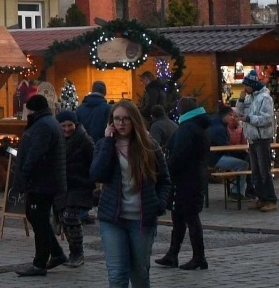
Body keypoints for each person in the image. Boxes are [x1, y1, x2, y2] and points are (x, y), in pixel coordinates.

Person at [91, 101, 171, 288]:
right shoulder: (105, 145)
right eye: (117, 119)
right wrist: (109, 144)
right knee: (117, 275)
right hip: (113, 219)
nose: (121, 123)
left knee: (140, 274)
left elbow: (165, 180)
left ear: (134, 120)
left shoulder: (149, 145)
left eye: (126, 119)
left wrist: (158, 205)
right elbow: (97, 174)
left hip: (141, 220)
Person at [12, 93, 67, 277]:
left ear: (33, 109)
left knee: (39, 219)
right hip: (45, 181)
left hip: (41, 182)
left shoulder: (42, 126)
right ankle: (57, 253)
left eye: (27, 108)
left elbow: (35, 155)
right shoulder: (46, 122)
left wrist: (23, 175)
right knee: (36, 216)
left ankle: (39, 263)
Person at [157, 97, 211, 270]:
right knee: (179, 217)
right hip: (194, 178)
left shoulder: (187, 129)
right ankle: (173, 254)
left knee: (189, 217)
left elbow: (179, 156)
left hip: (185, 180)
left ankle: (198, 256)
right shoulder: (197, 127)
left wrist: (168, 169)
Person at [56, 109, 95, 268]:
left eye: (69, 125)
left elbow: (93, 161)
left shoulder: (85, 140)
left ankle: (77, 253)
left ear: (75, 124)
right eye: (63, 126)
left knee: (70, 216)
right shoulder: (57, 139)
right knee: (65, 218)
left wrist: (93, 180)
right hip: (62, 186)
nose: (66, 129)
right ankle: (73, 251)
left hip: (80, 184)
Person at [237, 71, 277, 212]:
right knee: (255, 172)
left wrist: (249, 119)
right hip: (252, 138)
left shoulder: (265, 98)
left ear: (253, 85)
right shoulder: (249, 98)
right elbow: (239, 113)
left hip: (262, 138)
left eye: (247, 85)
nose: (245, 88)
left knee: (264, 170)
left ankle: (271, 200)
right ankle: (261, 198)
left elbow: (266, 119)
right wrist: (240, 101)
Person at [207, 105, 247, 199]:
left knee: (244, 160)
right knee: (243, 164)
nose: (232, 117)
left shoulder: (216, 124)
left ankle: (240, 190)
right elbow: (224, 148)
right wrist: (238, 151)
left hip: (212, 157)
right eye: (230, 115)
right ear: (224, 116)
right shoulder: (219, 128)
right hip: (215, 158)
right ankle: (237, 192)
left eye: (233, 115)